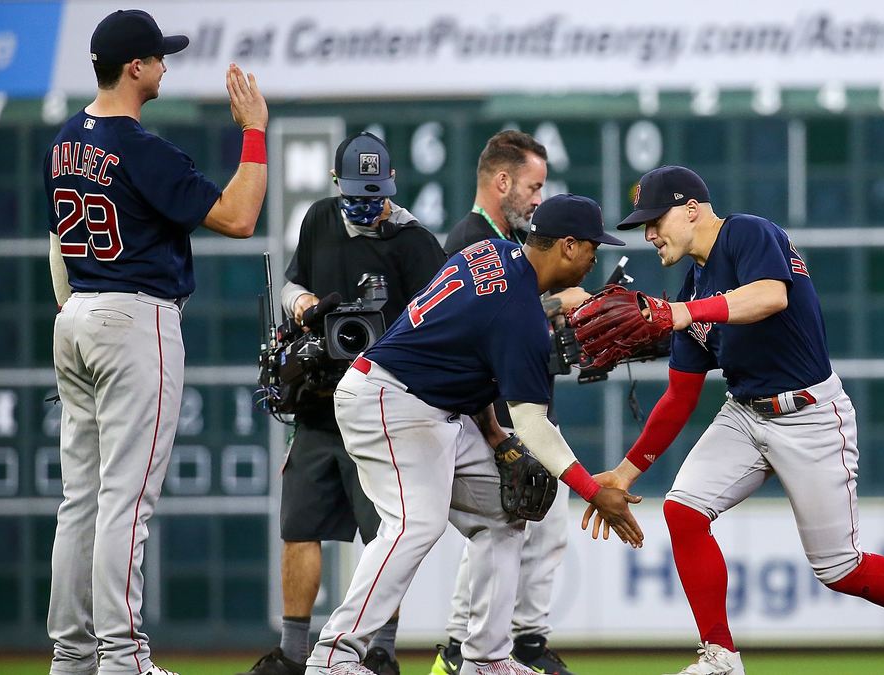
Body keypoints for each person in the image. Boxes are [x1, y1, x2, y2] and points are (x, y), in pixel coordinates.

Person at [587, 166, 884, 675]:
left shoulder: (747, 232)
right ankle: (721, 658)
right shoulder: (691, 287)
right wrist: (625, 472)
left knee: (840, 568)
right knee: (683, 512)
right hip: (745, 413)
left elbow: (770, 295)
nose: (650, 233)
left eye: (655, 220)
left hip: (811, 415)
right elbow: (680, 396)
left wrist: (680, 314)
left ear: (690, 209)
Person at [306, 194, 643, 675]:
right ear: (568, 246)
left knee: (504, 513)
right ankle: (333, 657)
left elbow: (465, 362)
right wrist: (593, 492)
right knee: (414, 523)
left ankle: (484, 658)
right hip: (389, 398)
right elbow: (533, 424)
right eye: (592, 247)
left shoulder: (490, 254)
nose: (595, 258)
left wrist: (495, 439)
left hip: (433, 404)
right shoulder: (521, 313)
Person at [44, 9, 268, 675]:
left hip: (77, 313)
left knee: (79, 498)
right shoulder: (139, 148)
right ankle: (123, 657)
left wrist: (76, 306)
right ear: (134, 67)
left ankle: (72, 656)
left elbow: (58, 241)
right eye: (160, 57)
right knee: (125, 500)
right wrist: (254, 134)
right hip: (132, 318)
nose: (166, 66)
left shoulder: (63, 141)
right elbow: (237, 214)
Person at [237, 132, 447, 675]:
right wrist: (304, 303)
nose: (365, 206)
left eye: (375, 196)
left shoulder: (416, 243)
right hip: (317, 404)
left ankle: (380, 649)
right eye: (356, 194)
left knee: (385, 537)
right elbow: (290, 286)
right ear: (337, 185)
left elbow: (440, 329)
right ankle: (292, 652)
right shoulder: (319, 219)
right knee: (300, 527)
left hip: (382, 411)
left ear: (391, 188)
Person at [432, 131, 589, 675]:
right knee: (500, 527)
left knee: (536, 525)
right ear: (502, 182)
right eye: (533, 186)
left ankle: (514, 642)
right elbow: (478, 323)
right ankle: (462, 648)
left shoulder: (511, 244)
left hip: (511, 406)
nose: (538, 199)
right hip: (486, 416)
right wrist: (554, 302)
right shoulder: (471, 240)